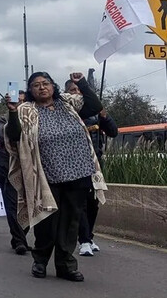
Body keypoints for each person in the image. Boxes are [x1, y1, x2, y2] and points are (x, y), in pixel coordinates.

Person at [4, 72, 107, 282]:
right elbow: (14, 136)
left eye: (45, 84)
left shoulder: (69, 104)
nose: (42, 88)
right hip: (46, 175)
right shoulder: (25, 110)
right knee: (47, 221)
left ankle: (66, 264)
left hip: (78, 171)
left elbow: (95, 106)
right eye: (36, 85)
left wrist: (82, 84)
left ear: (53, 86)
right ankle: (40, 260)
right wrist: (13, 113)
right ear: (30, 90)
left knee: (71, 221)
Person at [64, 80, 118, 256]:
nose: (77, 92)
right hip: (74, 164)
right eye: (73, 90)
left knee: (93, 202)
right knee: (80, 203)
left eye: (79, 89)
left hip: (95, 164)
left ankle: (89, 236)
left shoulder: (94, 112)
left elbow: (113, 132)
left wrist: (104, 116)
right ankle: (84, 241)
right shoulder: (66, 112)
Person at [0, 91, 29, 255]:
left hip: (29, 167)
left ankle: (19, 236)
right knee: (13, 203)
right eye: (17, 101)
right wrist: (13, 119)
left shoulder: (33, 119)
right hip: (7, 164)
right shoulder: (3, 119)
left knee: (29, 205)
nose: (20, 104)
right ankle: (20, 240)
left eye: (23, 101)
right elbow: (2, 133)